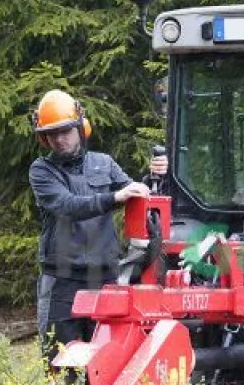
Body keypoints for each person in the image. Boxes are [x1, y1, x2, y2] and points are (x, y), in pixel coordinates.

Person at [29, 89, 167, 354]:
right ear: (44, 138)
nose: (59, 139)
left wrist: (152, 179)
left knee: (108, 357)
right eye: (52, 134)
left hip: (104, 279)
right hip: (62, 280)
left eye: (65, 131)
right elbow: (67, 205)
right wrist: (116, 196)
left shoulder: (104, 163)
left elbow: (136, 194)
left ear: (81, 128)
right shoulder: (42, 171)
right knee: (59, 360)